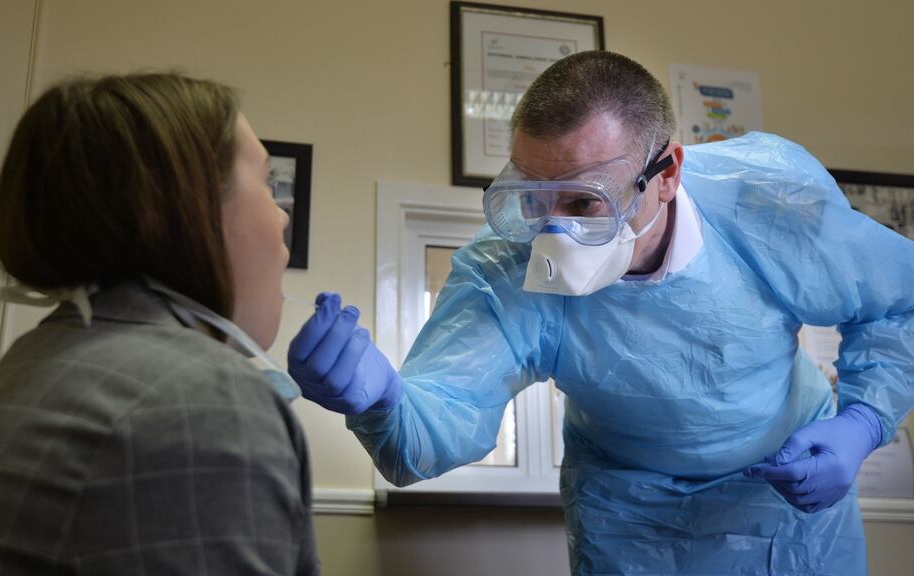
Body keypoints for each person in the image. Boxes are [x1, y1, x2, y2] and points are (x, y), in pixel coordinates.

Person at [288, 51, 914, 574]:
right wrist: (379, 399)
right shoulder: (508, 267)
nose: (551, 232)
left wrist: (861, 422)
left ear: (665, 173)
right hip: (627, 513)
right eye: (533, 197)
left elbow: (897, 301)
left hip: (788, 486)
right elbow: (439, 419)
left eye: (586, 203)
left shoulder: (766, 203)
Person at [0, 73, 319, 575]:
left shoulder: (40, 365)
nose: (284, 217)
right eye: (269, 184)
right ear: (191, 206)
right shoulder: (199, 398)